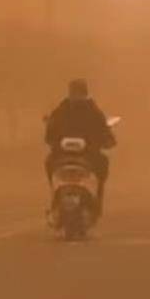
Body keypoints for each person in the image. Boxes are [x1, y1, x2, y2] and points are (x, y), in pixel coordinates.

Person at [44, 78, 116, 216]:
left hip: (88, 155)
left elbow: (104, 131)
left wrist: (106, 141)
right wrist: (53, 141)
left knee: (102, 164)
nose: (76, 96)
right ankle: (55, 197)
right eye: (74, 92)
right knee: (49, 162)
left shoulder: (92, 111)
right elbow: (50, 132)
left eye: (78, 92)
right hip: (63, 155)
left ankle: (96, 200)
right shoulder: (62, 110)